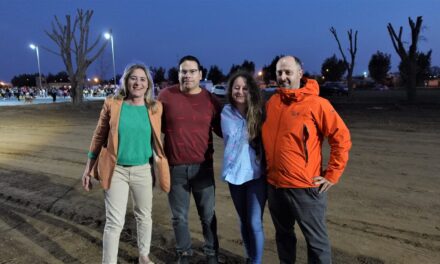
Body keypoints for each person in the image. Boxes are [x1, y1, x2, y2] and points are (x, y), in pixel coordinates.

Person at [262, 56, 352, 264]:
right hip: (275, 187)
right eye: (279, 73)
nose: (283, 77)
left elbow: (342, 138)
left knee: (316, 243)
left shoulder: (318, 104)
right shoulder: (272, 102)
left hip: (305, 188)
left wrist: (332, 174)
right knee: (283, 237)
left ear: (300, 73)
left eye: (288, 72)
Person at [82, 63, 165, 264]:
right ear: (126, 81)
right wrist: (88, 168)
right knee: (114, 222)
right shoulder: (113, 103)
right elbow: (99, 135)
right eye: (133, 78)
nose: (138, 83)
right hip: (116, 170)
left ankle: (143, 256)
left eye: (142, 79)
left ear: (148, 84)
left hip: (143, 170)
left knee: (144, 216)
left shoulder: (155, 107)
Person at [158, 55, 222, 264]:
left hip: (203, 168)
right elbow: (152, 127)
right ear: (178, 74)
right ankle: (184, 253)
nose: (187, 75)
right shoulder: (166, 96)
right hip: (175, 167)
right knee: (179, 217)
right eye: (183, 71)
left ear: (200, 74)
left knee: (208, 216)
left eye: (192, 71)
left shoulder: (210, 100)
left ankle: (211, 253)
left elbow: (227, 129)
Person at [220, 71, 266, 264]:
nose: (240, 91)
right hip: (234, 175)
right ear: (230, 90)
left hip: (256, 176)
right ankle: (249, 256)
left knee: (254, 222)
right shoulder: (225, 113)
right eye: (236, 87)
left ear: (251, 91)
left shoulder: (261, 113)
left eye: (245, 88)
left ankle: (256, 261)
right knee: (244, 221)